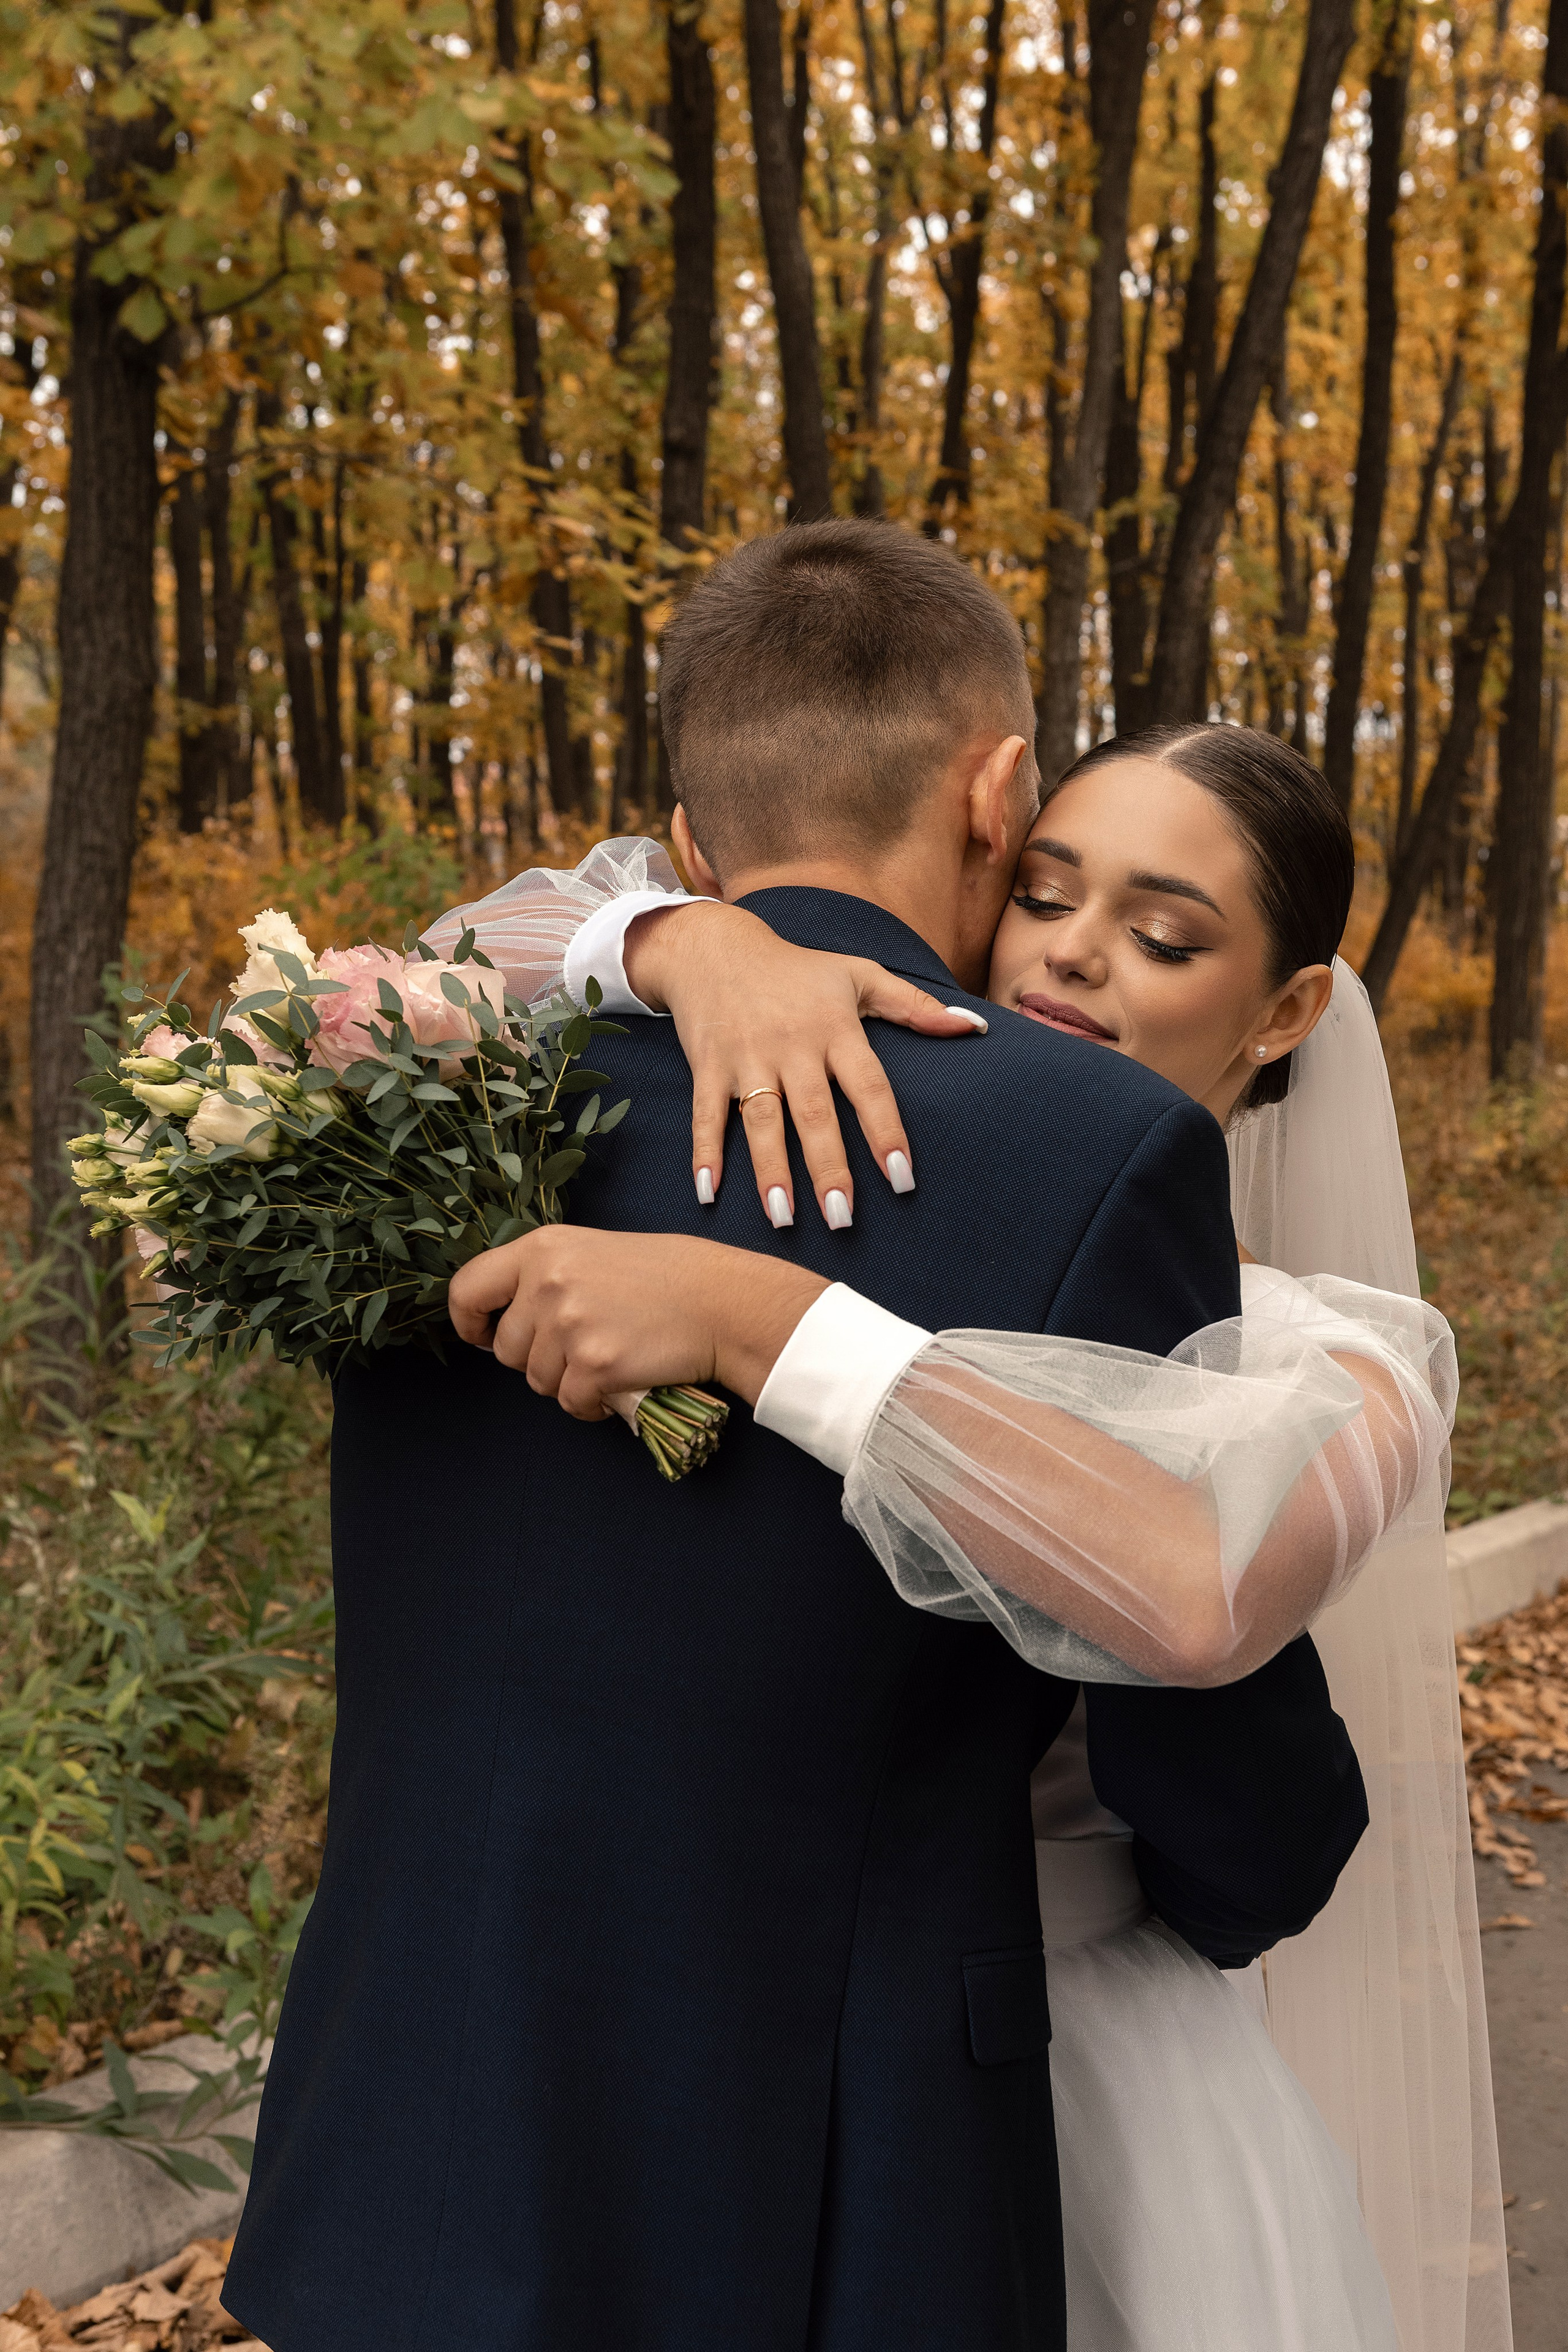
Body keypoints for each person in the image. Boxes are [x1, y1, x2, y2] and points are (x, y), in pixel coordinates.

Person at [224, 522, 1373, 2352]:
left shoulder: (397, 1074)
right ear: (1002, 795)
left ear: (684, 842)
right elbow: (1221, 1777)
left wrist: (656, 942)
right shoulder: (1086, 1157)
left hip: (406, 2149)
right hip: (825, 2194)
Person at [435, 719, 1509, 2350]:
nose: (1073, 952)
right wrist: (686, 940)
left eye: (1162, 934)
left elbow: (1193, 1590)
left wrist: (765, 1322)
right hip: (697, 2040)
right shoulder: (878, 1169)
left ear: (1287, 1011)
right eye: (1046, 891)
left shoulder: (1342, 1359)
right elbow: (403, 978)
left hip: (1080, 2067)